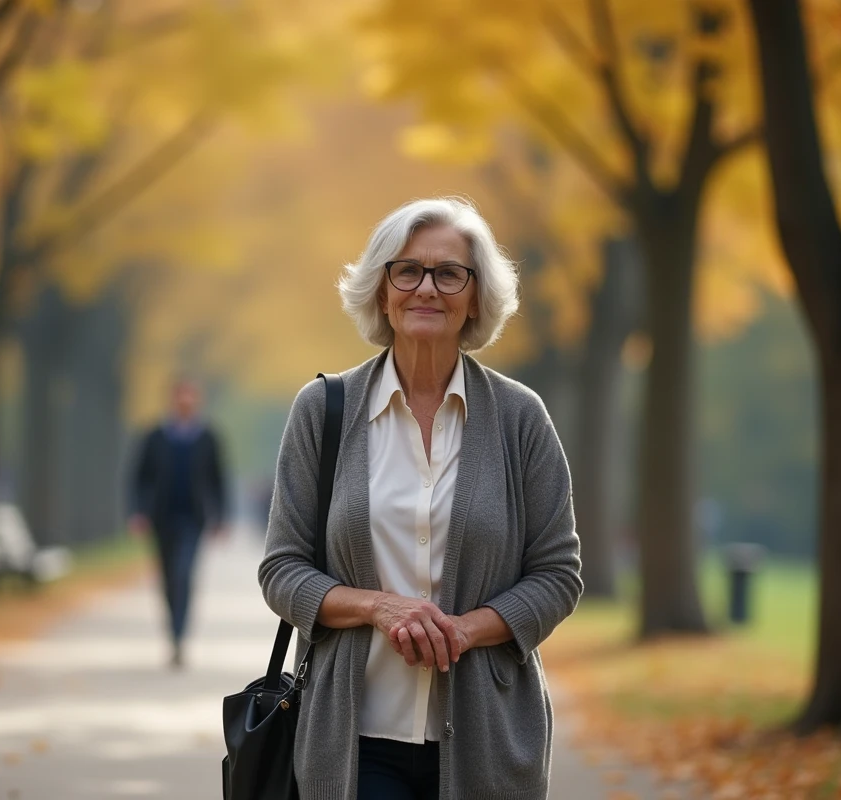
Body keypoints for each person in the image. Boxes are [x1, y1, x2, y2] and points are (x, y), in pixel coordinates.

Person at [259, 197, 583, 799]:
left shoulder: (521, 418)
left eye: (449, 273)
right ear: (382, 292)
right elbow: (281, 570)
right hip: (353, 743)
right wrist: (379, 607)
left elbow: (558, 575)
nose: (427, 288)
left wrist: (465, 631)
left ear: (475, 297)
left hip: (490, 744)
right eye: (407, 271)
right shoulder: (323, 411)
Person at [129, 379, 227, 668]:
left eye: (190, 396)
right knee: (168, 577)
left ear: (196, 400)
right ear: (173, 400)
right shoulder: (155, 436)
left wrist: (220, 517)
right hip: (161, 518)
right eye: (181, 396)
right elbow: (140, 477)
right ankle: (173, 631)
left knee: (183, 573)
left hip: (193, 519)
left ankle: (179, 636)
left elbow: (217, 478)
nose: (186, 401)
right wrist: (138, 512)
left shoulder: (207, 437)